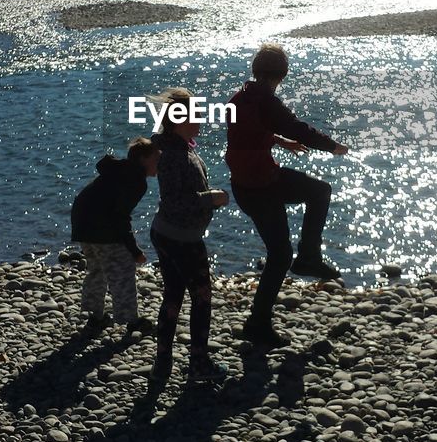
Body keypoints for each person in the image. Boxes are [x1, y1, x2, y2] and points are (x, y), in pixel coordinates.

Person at [226, 43, 349, 348]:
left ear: (257, 70)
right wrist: (332, 146)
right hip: (262, 185)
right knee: (319, 193)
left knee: (279, 254)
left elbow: (247, 132)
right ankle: (307, 259)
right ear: (282, 73)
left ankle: (260, 320)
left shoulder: (239, 97)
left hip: (245, 185)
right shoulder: (266, 101)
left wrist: (278, 141)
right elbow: (297, 127)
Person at [149, 88, 231, 382]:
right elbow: (176, 201)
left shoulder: (177, 146)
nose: (200, 119)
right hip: (180, 237)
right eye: (196, 114)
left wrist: (208, 199)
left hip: (168, 232)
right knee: (201, 297)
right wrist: (213, 198)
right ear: (178, 119)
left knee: (172, 294)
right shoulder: (173, 154)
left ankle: (163, 359)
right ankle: (198, 362)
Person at [71, 137, 160, 334]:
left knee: (97, 269)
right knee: (123, 271)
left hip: (82, 224)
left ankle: (96, 317)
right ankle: (131, 320)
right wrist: (134, 250)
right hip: (102, 227)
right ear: (144, 159)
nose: (159, 165)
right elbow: (120, 217)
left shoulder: (119, 170)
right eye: (157, 159)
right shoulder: (136, 180)